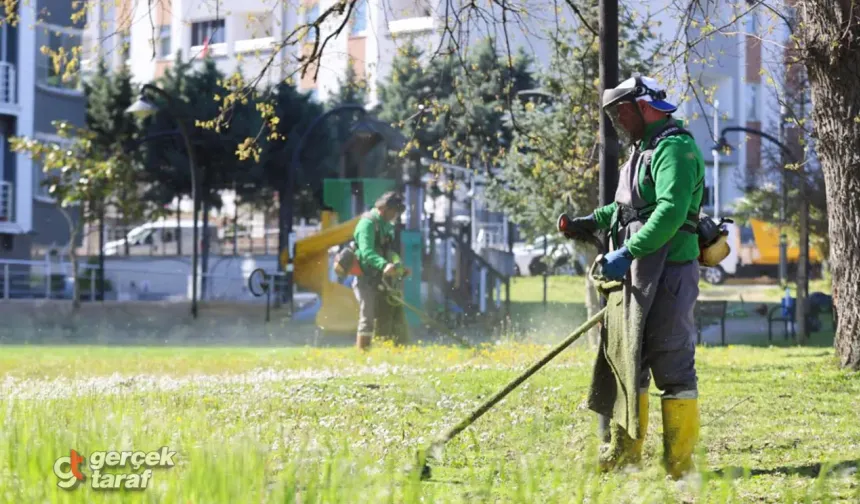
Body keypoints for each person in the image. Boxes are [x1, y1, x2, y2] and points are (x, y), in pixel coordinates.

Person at [562, 76, 705, 479]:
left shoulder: (675, 149)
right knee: (630, 360)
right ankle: (625, 454)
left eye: (621, 112)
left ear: (644, 106)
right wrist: (589, 221)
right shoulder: (642, 150)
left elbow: (670, 211)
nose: (619, 122)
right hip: (638, 272)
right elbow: (625, 209)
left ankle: (680, 464)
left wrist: (627, 252)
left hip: (670, 271)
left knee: (672, 364)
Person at [352, 191, 412, 350]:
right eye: (394, 211)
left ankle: (389, 349)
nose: (395, 215)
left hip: (382, 278)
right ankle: (362, 354)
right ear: (384, 208)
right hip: (365, 278)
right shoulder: (367, 223)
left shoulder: (387, 225)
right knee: (367, 317)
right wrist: (384, 265)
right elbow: (366, 252)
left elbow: (389, 252)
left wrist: (399, 267)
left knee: (389, 313)